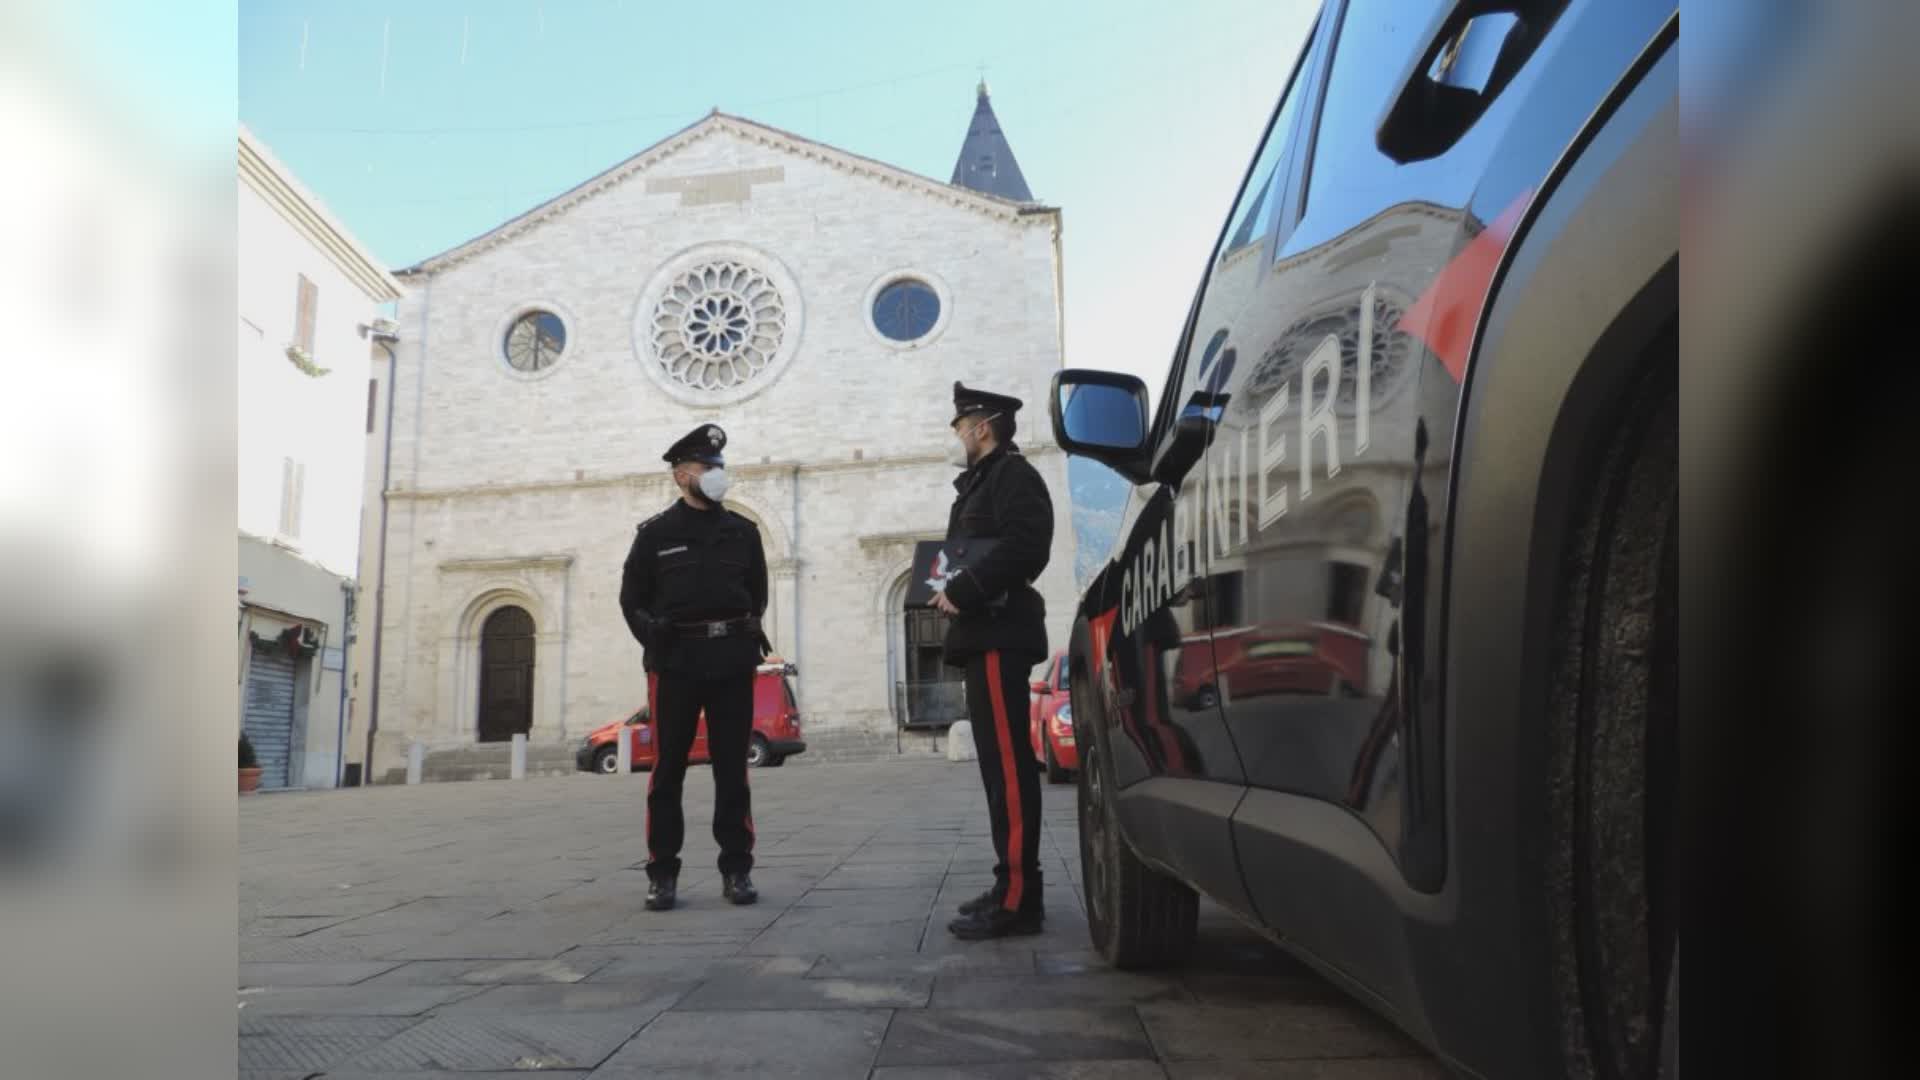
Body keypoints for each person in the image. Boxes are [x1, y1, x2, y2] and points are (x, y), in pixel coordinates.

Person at [618, 423, 767, 911]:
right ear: (682, 476)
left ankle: (737, 870)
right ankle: (663, 873)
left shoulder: (743, 533)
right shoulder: (655, 535)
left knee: (732, 770)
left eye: (719, 467)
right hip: (676, 663)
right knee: (668, 772)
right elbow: (631, 599)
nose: (716, 474)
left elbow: (757, 595)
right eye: (707, 467)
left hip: (730, 661)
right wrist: (653, 635)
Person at [937, 382, 1055, 940]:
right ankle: (1010, 882)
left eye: (962, 427)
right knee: (995, 772)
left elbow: (1028, 546)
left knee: (1009, 770)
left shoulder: (1012, 476)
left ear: (983, 426)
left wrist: (965, 588)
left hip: (999, 631)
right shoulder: (983, 482)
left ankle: (1019, 901)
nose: (958, 436)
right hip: (983, 633)